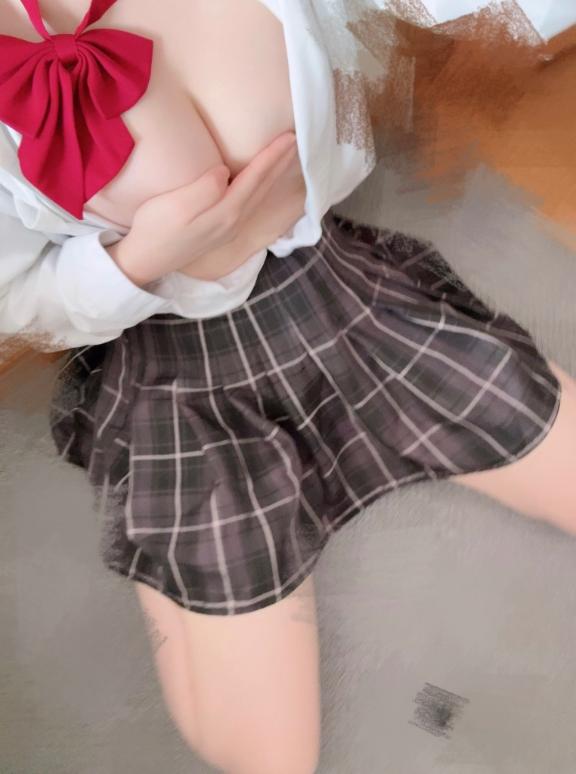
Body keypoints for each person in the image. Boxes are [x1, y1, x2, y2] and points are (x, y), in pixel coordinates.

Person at [0, 1, 574, 772]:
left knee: (525, 414)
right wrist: (143, 259)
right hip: (181, 377)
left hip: (336, 289)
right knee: (269, 752)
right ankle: (172, 574)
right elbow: (17, 306)